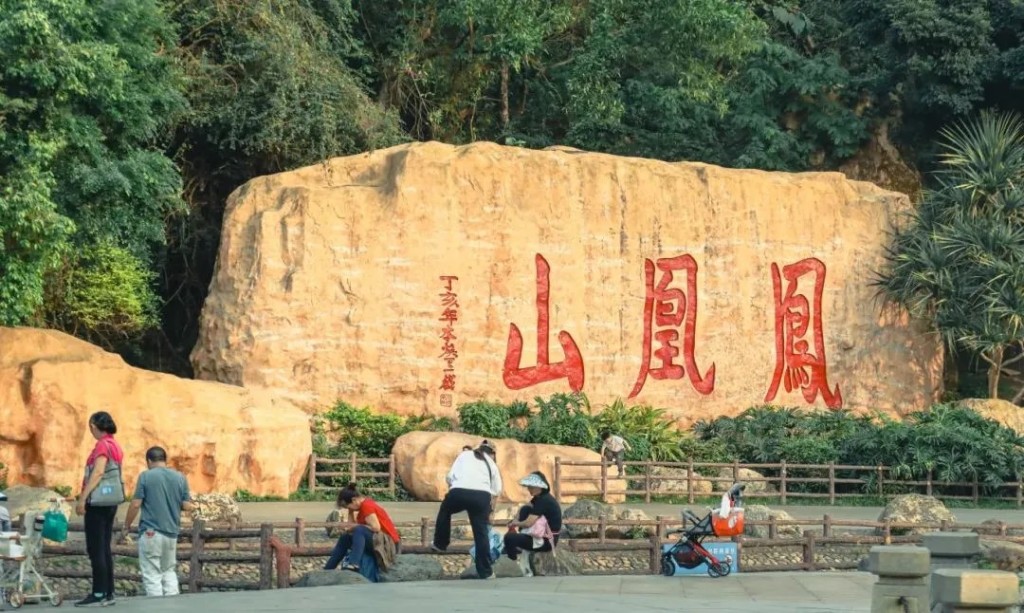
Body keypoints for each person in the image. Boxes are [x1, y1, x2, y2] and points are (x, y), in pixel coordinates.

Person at [120, 447, 194, 597]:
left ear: (148, 461)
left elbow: (135, 504)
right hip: (172, 533)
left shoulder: (146, 477)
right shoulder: (180, 477)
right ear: (164, 460)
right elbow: (187, 505)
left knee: (152, 574)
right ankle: (172, 604)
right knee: (168, 570)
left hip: (151, 531)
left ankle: (155, 607)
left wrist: (126, 526)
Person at [430, 440, 502, 579]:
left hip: (459, 492)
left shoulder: (464, 455)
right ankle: (486, 572)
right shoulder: (492, 463)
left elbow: (450, 477)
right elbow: (496, 490)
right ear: (492, 453)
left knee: (445, 509)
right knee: (481, 533)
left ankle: (440, 543)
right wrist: (490, 509)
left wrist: (458, 486)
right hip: (481, 497)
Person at [75, 411, 125, 607]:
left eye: (91, 426)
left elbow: (97, 473)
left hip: (97, 502)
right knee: (104, 547)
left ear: (95, 426)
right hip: (111, 502)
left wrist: (82, 498)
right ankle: (108, 591)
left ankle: (98, 592)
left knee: (95, 548)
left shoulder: (102, 445)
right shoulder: (115, 445)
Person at [324, 483, 400, 582]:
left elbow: (376, 527)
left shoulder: (367, 506)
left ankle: (354, 563)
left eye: (348, 506)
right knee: (345, 537)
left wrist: (355, 526)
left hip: (388, 543)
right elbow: (351, 527)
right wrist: (351, 513)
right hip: (379, 540)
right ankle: (329, 568)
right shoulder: (361, 509)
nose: (348, 509)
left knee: (359, 530)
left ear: (354, 500)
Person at [503, 471, 562, 576]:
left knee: (509, 538)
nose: (529, 489)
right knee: (526, 509)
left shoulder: (544, 501)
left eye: (531, 486)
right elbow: (524, 508)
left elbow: (528, 523)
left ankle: (512, 563)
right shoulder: (540, 498)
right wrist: (515, 520)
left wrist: (515, 524)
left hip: (546, 540)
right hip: (540, 534)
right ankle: (517, 548)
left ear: (539, 487)